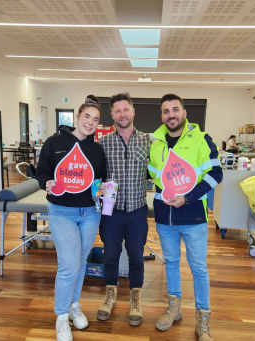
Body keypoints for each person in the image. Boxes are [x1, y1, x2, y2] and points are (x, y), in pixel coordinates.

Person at [148, 94, 222, 341]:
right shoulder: (155, 142)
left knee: (198, 268)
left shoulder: (202, 139)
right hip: (164, 216)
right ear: (162, 116)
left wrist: (188, 197)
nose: (171, 114)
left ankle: (203, 319)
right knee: (170, 262)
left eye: (175, 109)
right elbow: (152, 175)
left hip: (193, 216)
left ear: (184, 112)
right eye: (166, 111)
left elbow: (215, 174)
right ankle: (174, 308)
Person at [36, 95, 108, 341]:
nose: (90, 122)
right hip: (62, 212)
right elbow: (42, 171)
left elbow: (100, 178)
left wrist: (100, 189)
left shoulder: (97, 149)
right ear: (77, 116)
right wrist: (46, 182)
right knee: (68, 265)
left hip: (89, 212)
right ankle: (61, 316)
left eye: (95, 119)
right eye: (87, 116)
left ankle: (74, 304)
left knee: (80, 263)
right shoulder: (54, 142)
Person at [96, 92, 151, 326]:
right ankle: (110, 294)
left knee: (137, 258)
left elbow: (157, 171)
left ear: (133, 111)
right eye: (117, 111)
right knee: (111, 256)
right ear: (112, 115)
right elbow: (96, 175)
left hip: (138, 211)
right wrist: (95, 188)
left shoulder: (148, 141)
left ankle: (135, 297)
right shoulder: (104, 142)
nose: (122, 114)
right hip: (112, 212)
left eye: (125, 109)